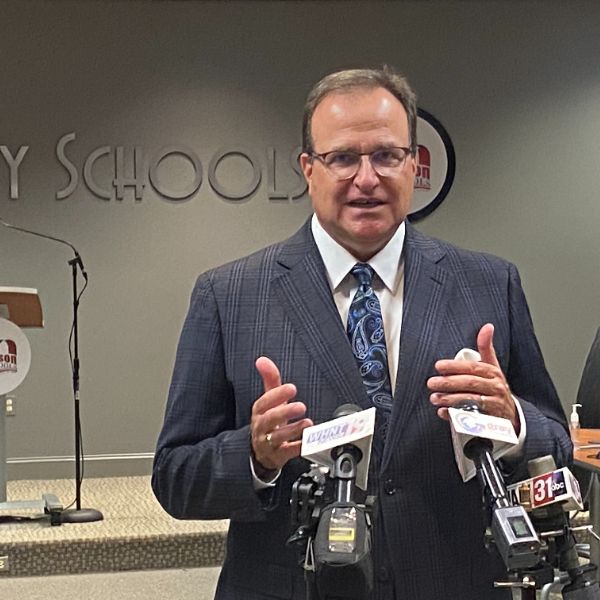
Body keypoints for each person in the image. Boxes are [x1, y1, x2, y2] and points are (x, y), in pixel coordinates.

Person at [152, 66, 572, 600]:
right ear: (309, 169)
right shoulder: (228, 296)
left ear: (413, 164)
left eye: (386, 156)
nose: (367, 178)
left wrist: (512, 419)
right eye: (343, 158)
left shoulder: (489, 284)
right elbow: (174, 478)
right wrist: (255, 456)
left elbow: (557, 444)